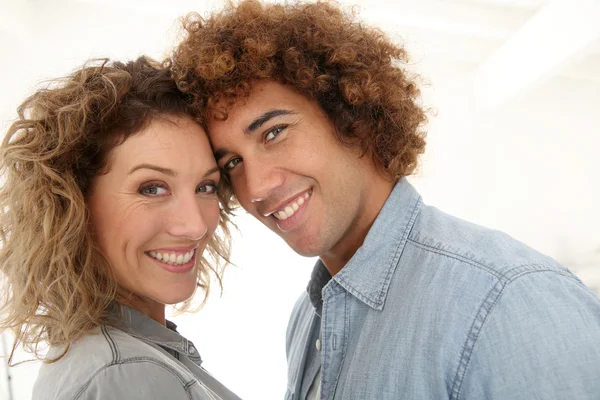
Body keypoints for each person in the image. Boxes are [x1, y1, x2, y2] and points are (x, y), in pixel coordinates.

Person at [171, 1, 600, 399]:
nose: (256, 188)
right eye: (231, 164)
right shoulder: (308, 318)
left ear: (350, 118)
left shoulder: (508, 303)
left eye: (274, 132)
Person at [0, 57, 241, 400]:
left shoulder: (103, 357)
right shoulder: (127, 375)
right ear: (75, 205)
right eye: (152, 188)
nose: (195, 226)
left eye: (205, 187)